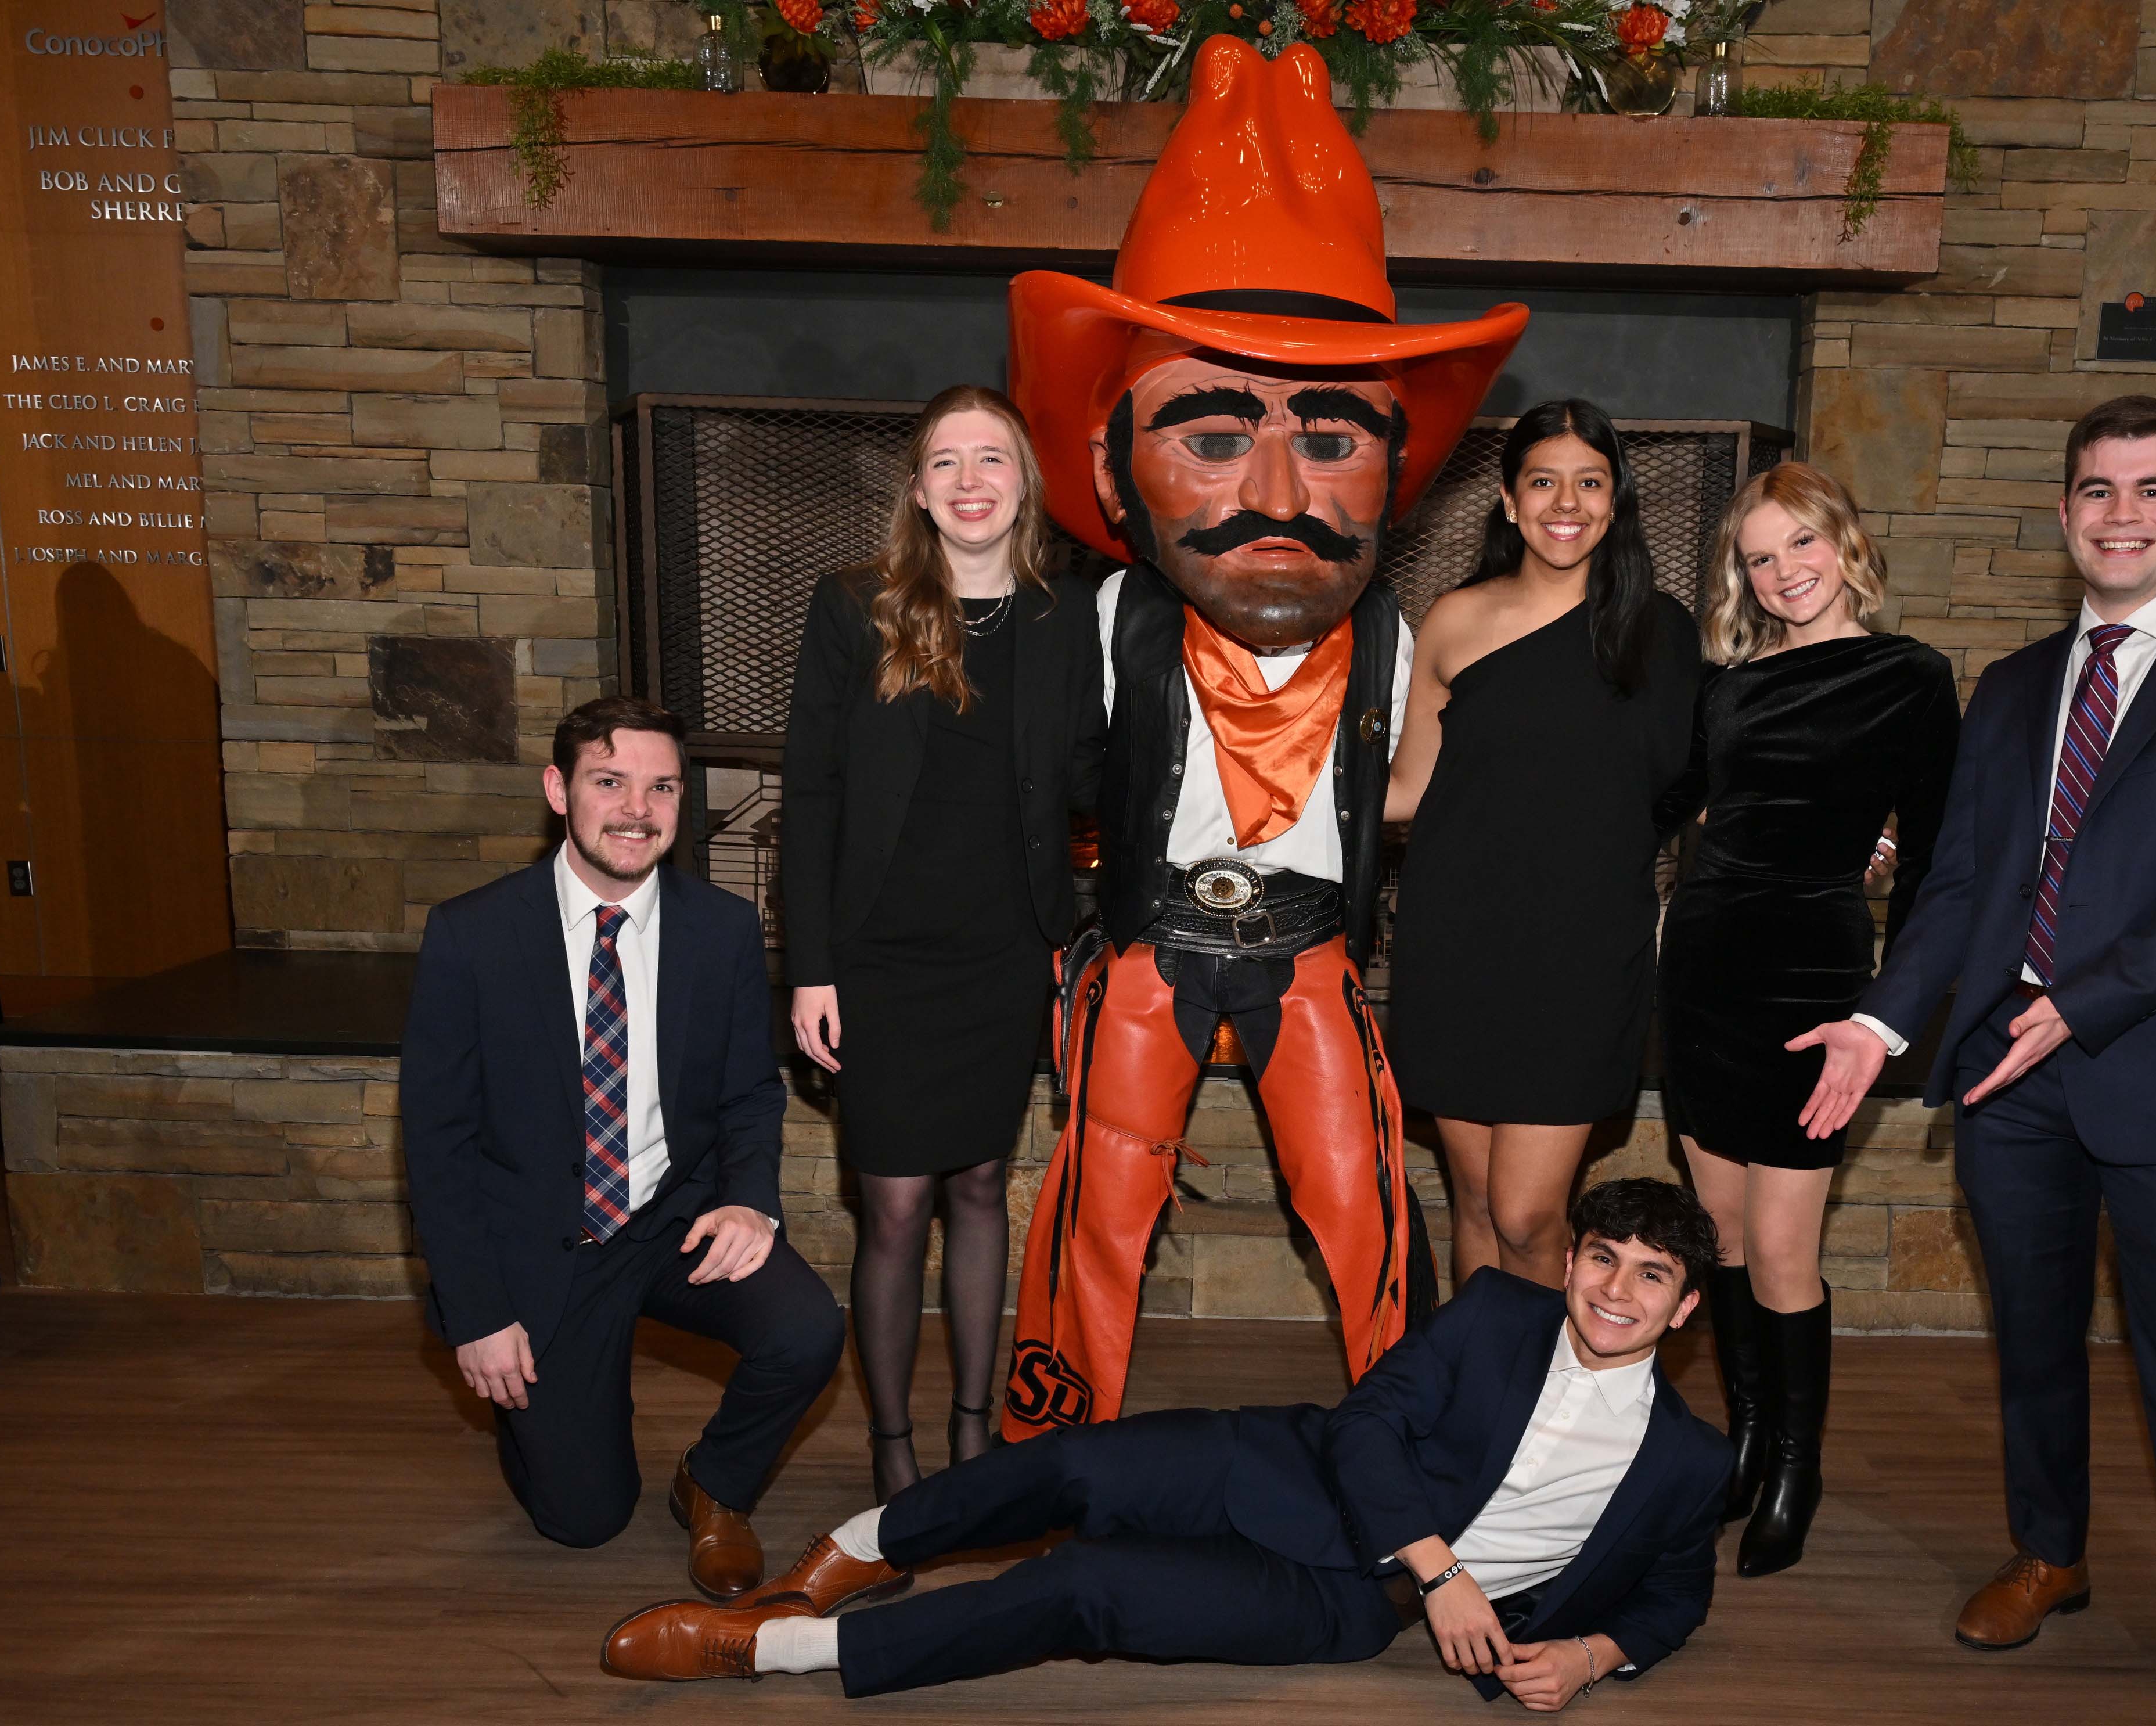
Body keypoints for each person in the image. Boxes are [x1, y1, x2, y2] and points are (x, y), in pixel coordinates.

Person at [994, 37, 1525, 1439]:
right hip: (1143, 950)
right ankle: (1050, 1458)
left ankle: (1414, 1450)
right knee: (1095, 1201)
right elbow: (1029, 789)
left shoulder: (1409, 644)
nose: (1277, 490)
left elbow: (1429, 793)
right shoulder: (1096, 620)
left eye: (1333, 437)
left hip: (1307, 951)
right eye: (1214, 436)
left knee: (1360, 1198)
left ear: (1398, 472)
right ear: (1113, 463)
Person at [1789, 397, 2156, 1725]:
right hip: (2003, 1079)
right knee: (2030, 1340)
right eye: (2096, 490)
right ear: (2063, 512)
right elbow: (1964, 881)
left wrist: (2076, 1003)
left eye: (2151, 490)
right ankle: (2049, 1551)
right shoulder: (2018, 683)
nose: (2120, 515)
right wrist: (1880, 1019)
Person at [598, 1178, 1732, 1707]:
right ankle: (855, 1548)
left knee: (1084, 1587)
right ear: (1572, 1257)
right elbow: (1367, 1424)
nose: (1615, 1289)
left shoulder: (1686, 1463)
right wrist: (1440, 1569)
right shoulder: (1496, 1311)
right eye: (1602, 1257)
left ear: (1682, 1309)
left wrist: (1587, 1657)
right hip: (1290, 1463)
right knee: (1073, 1464)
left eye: (1651, 1274)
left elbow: (1673, 1597)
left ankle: (769, 1652)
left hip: (1343, 1602)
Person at [400, 696, 847, 1601]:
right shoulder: (469, 935)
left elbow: (749, 1094)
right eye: (611, 783)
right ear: (559, 791)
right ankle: (563, 1408)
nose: (637, 809)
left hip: (673, 1220)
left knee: (807, 1330)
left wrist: (748, 1200)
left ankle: (712, 1485)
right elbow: (437, 1145)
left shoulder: (717, 928)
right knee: (583, 1521)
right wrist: (478, 1311)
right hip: (544, 1245)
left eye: (662, 787)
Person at [780, 387, 1106, 1501]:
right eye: (946, 461)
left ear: (1024, 484)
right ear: (918, 488)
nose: (971, 480)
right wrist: (809, 965)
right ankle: (891, 1446)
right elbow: (812, 794)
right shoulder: (853, 606)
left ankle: (972, 1435)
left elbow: (1090, 776)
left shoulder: (1067, 619)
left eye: (994, 460)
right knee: (898, 1205)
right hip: (876, 956)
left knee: (977, 1187)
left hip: (1000, 949)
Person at [1654, 461, 1957, 1576]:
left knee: (1784, 1248)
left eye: (1800, 545)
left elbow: (1930, 854)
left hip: (1812, 979)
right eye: (1758, 554)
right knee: (1722, 1237)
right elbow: (1667, 804)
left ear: (1845, 543)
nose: (1782, 572)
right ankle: (1739, 1441)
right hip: (1701, 967)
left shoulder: (1908, 677)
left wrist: (1895, 1016)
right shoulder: (1721, 683)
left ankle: (1794, 1467)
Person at [1384, 400, 1702, 1288]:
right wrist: (1262, 783)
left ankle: (1533, 1402)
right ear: (1508, 498)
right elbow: (1408, 789)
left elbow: (1703, 787)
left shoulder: (1660, 631)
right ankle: (1480, 1407)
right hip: (1456, 942)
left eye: (1589, 482)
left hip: (1580, 956)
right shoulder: (1454, 618)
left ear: (1615, 498)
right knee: (1477, 1204)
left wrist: (1842, 835)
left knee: (1528, 1214)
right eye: (1543, 481)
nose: (1567, 502)